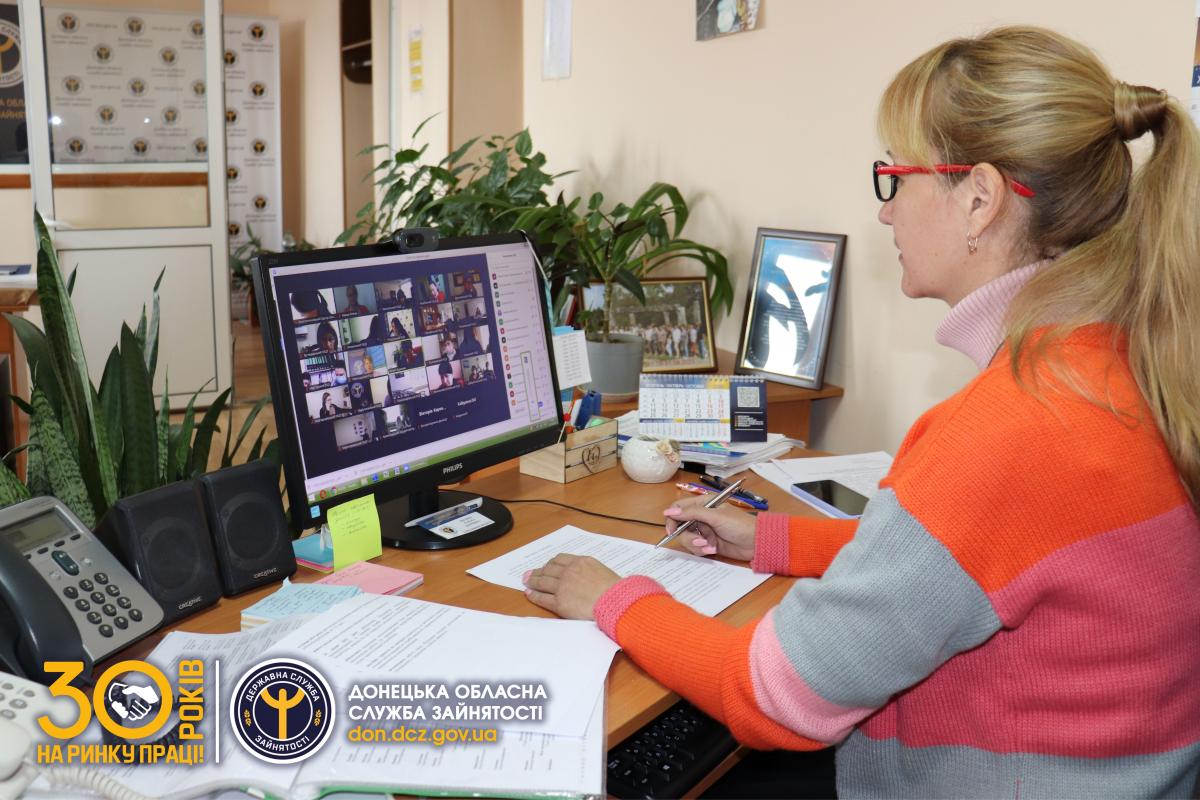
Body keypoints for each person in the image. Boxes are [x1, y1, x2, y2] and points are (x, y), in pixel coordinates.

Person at [522, 26, 1200, 798]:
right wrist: (771, 539)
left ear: (978, 199)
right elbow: (962, 558)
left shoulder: (1013, 423)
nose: (886, 213)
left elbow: (772, 697)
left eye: (895, 176)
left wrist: (612, 598)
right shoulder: (1122, 362)